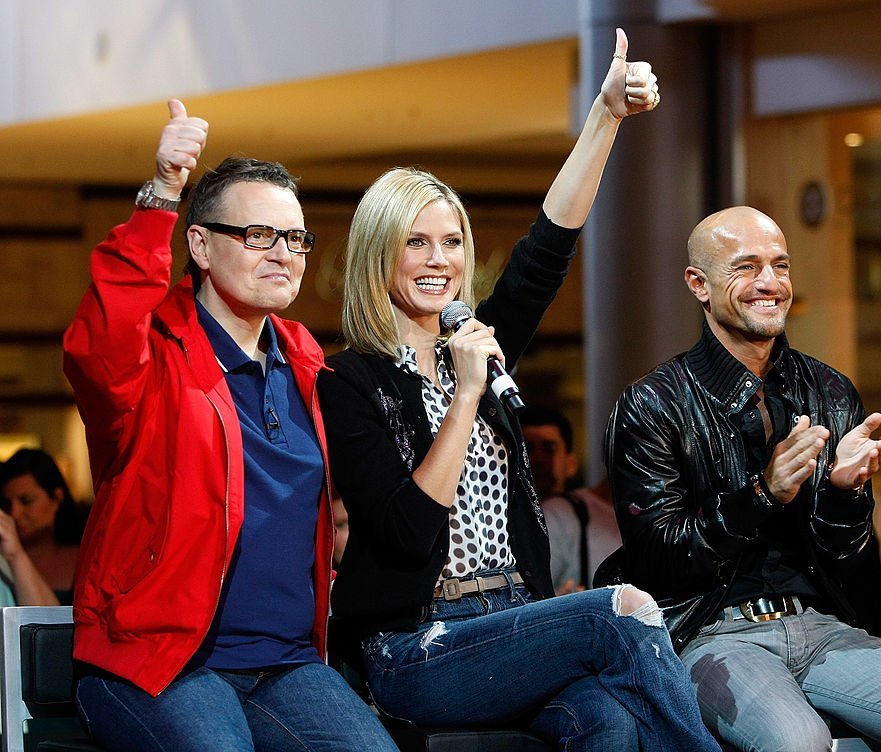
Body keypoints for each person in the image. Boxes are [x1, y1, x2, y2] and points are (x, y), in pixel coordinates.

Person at [317, 30, 720, 752]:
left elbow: (547, 248)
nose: (440, 261)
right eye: (417, 243)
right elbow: (407, 530)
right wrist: (465, 397)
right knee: (620, 609)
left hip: (515, 618)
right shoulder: (349, 380)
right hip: (418, 645)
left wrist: (604, 117)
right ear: (380, 255)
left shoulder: (476, 340)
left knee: (611, 721)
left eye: (453, 243)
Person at [600, 205, 881, 751]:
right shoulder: (653, 403)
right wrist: (762, 495)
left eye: (780, 265)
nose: (770, 283)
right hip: (707, 631)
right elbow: (658, 557)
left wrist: (845, 493)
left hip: (819, 624)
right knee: (799, 743)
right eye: (746, 267)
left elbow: (844, 556)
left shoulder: (830, 391)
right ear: (699, 284)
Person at [62, 101, 397, 752]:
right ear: (200, 244)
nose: (285, 255)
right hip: (158, 658)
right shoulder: (153, 359)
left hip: (288, 663)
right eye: (258, 235)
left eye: (296, 238)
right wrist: (162, 191)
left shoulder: (304, 359)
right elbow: (94, 343)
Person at [520, 405, 621, 592]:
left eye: (549, 449)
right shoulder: (557, 515)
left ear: (571, 463)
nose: (538, 459)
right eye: (528, 450)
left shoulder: (574, 513)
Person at [0, 447, 82, 605]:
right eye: (7, 504)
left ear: (57, 498)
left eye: (27, 501)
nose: (15, 513)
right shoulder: (5, 561)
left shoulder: (86, 559)